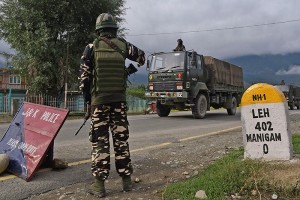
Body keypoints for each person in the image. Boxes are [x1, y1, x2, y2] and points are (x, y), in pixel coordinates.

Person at [79, 13, 145, 197]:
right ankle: (126, 182)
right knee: (121, 141)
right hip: (119, 103)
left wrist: (88, 101)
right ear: (114, 29)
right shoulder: (124, 45)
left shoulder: (91, 48)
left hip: (99, 103)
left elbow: (84, 80)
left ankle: (99, 186)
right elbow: (142, 58)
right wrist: (125, 72)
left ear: (98, 30)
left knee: (100, 143)